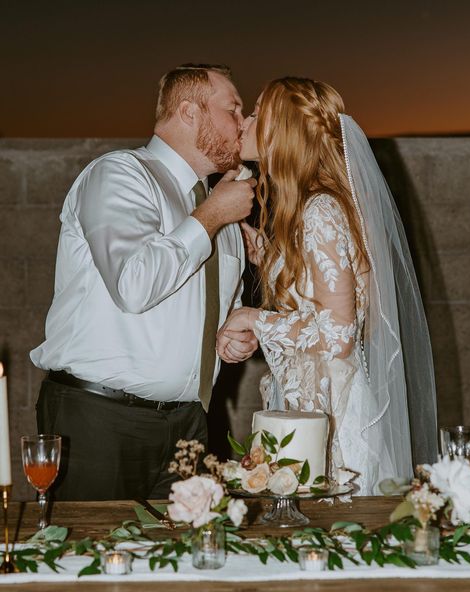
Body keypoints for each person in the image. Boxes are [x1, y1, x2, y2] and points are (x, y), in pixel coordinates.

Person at [30, 64, 258, 501]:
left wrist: (233, 336)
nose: (242, 123)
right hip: (101, 418)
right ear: (190, 112)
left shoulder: (220, 209)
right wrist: (210, 217)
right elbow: (134, 285)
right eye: (233, 109)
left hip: (189, 422)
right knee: (92, 559)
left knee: (177, 564)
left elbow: (203, 310)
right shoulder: (121, 175)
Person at [216, 77, 438, 495]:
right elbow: (319, 291)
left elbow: (338, 334)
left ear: (282, 130)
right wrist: (268, 252)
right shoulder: (313, 207)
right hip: (310, 406)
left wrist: (250, 317)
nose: (245, 121)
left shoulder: (320, 210)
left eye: (257, 113)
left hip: (333, 415)